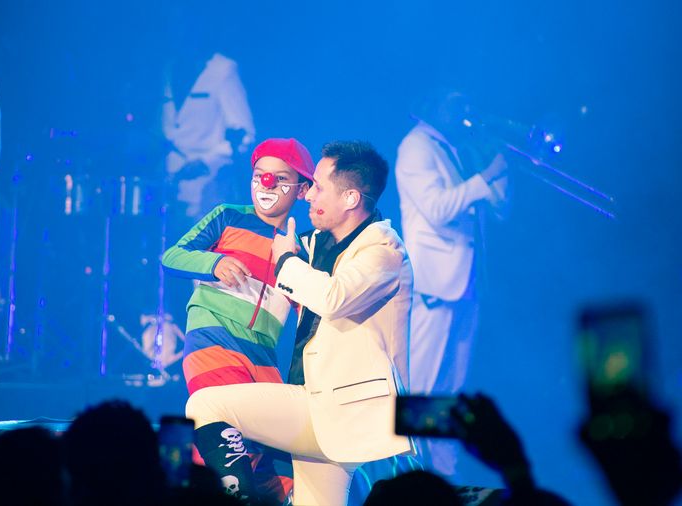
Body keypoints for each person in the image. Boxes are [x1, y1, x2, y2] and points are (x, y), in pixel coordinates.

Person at [184, 141, 414, 506]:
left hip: (342, 409)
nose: (308, 195)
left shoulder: (383, 251)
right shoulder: (319, 245)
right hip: (321, 408)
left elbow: (333, 297)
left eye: (319, 187)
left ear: (351, 198)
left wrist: (286, 260)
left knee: (206, 405)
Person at [162, 138, 314, 504]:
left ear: (302, 189)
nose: (266, 184)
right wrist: (214, 263)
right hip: (212, 344)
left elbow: (310, 314)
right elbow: (172, 256)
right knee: (227, 433)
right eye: (260, 175)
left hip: (263, 359)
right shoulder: (229, 216)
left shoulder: (304, 248)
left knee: (273, 459)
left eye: (279, 178)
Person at [395, 90, 508, 475]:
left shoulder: (455, 148)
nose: (463, 109)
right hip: (434, 286)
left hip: (466, 284)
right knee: (422, 389)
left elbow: (501, 209)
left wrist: (498, 170)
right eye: (454, 101)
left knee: (451, 390)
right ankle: (411, 475)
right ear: (432, 103)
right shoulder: (416, 147)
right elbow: (437, 208)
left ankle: (445, 474)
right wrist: (485, 176)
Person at [161, 51, 255, 222]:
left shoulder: (223, 70)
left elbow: (244, 135)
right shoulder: (168, 67)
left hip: (210, 190)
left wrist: (206, 162)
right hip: (169, 192)